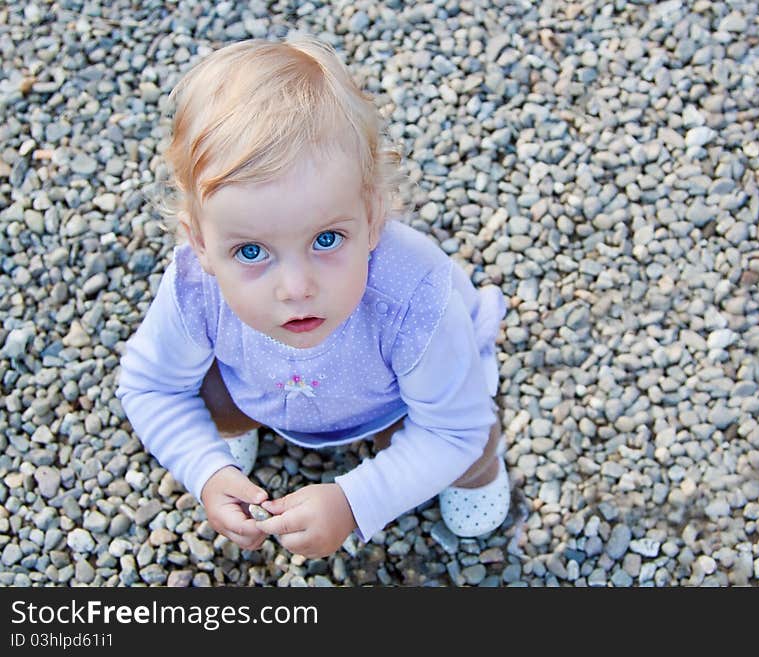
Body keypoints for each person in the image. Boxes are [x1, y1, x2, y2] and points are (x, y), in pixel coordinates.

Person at [115, 35, 510, 559]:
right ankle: (231, 434)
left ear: (372, 219)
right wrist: (205, 468)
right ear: (201, 244)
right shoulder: (195, 286)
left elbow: (452, 428)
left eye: (326, 240)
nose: (296, 287)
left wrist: (355, 501)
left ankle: (479, 476)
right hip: (256, 384)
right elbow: (151, 386)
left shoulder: (412, 297)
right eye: (252, 251)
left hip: (394, 403)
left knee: (467, 431)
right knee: (203, 394)